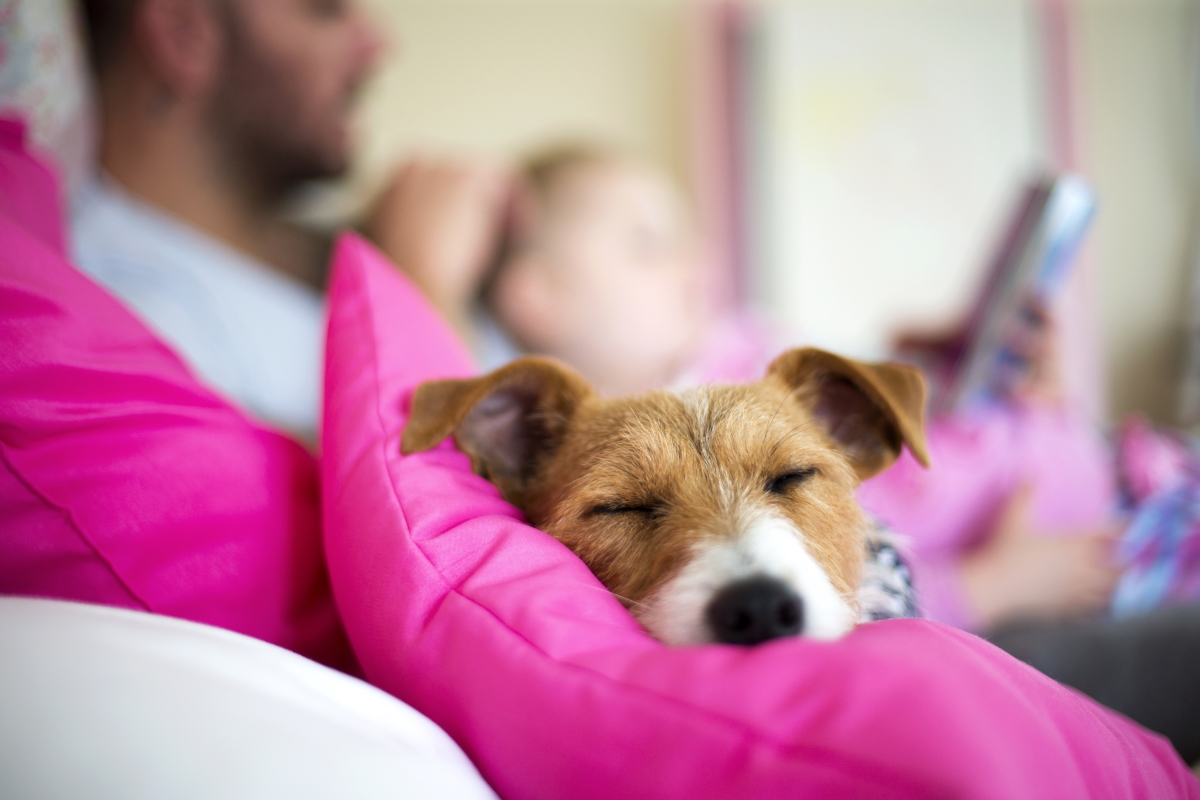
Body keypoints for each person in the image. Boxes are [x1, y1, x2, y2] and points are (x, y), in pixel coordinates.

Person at [74, 0, 509, 442]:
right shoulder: (132, 325)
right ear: (182, 35)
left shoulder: (318, 242)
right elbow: (426, 493)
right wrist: (424, 284)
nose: (378, 45)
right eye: (325, 11)